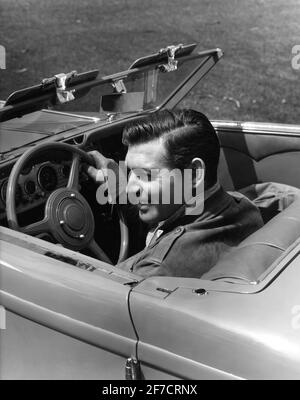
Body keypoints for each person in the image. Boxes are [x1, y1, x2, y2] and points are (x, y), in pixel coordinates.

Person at [87, 109, 264, 278]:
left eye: (146, 175)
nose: (131, 187)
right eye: (130, 171)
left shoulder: (156, 268)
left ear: (194, 173)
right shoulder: (244, 206)